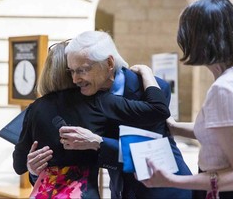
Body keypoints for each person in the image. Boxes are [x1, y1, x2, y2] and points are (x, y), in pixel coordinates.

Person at [27, 30, 193, 199]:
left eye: (83, 70)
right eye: (72, 71)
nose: (76, 79)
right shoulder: (84, 96)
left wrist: (98, 142)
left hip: (165, 190)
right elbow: (68, 164)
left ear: (109, 63)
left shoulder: (151, 89)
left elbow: (148, 154)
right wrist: (36, 170)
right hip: (121, 192)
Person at [140, 0, 233, 199]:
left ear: (198, 39)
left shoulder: (226, 88)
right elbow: (232, 135)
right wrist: (176, 128)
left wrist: (171, 180)